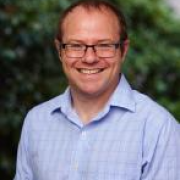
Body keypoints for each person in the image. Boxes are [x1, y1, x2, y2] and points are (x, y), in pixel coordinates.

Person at [14, 0, 180, 180]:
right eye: (76, 45)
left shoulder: (158, 128)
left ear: (123, 50)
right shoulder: (36, 122)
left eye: (104, 45)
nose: (90, 58)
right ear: (60, 51)